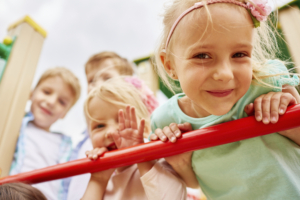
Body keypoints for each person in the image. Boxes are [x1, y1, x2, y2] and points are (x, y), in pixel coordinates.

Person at [149, 0, 300, 199]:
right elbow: (195, 182)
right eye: (202, 55)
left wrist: (287, 118)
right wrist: (180, 162)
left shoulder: (270, 83)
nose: (224, 74)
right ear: (169, 65)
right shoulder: (167, 121)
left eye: (239, 54)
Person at [81, 76, 186, 200]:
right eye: (99, 125)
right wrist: (98, 180)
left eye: (122, 120)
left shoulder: (160, 164)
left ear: (146, 127)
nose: (110, 132)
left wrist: (141, 156)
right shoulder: (102, 184)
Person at [67, 52, 135, 200]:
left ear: (128, 83)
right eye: (91, 80)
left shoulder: (135, 131)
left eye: (107, 78)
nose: (97, 85)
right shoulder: (85, 140)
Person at [9, 67, 81, 200]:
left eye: (62, 102)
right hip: (12, 194)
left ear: (65, 113)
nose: (51, 102)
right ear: (32, 93)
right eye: (47, 92)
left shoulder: (64, 143)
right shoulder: (16, 125)